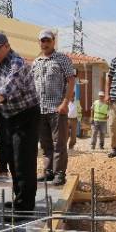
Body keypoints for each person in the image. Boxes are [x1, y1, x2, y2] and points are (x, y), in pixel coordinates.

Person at [0, 32, 40, 218]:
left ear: (6, 46)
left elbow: (9, 86)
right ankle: (19, 197)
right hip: (9, 116)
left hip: (26, 116)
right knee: (11, 159)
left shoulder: (18, 63)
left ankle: (25, 208)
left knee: (23, 161)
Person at [31, 29, 76, 186]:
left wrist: (65, 103)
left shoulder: (62, 59)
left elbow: (71, 81)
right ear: (39, 43)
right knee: (45, 144)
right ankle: (48, 171)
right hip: (40, 110)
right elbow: (31, 85)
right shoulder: (36, 62)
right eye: (42, 41)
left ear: (53, 42)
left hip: (57, 109)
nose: (45, 43)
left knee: (59, 143)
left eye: (48, 40)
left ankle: (59, 173)